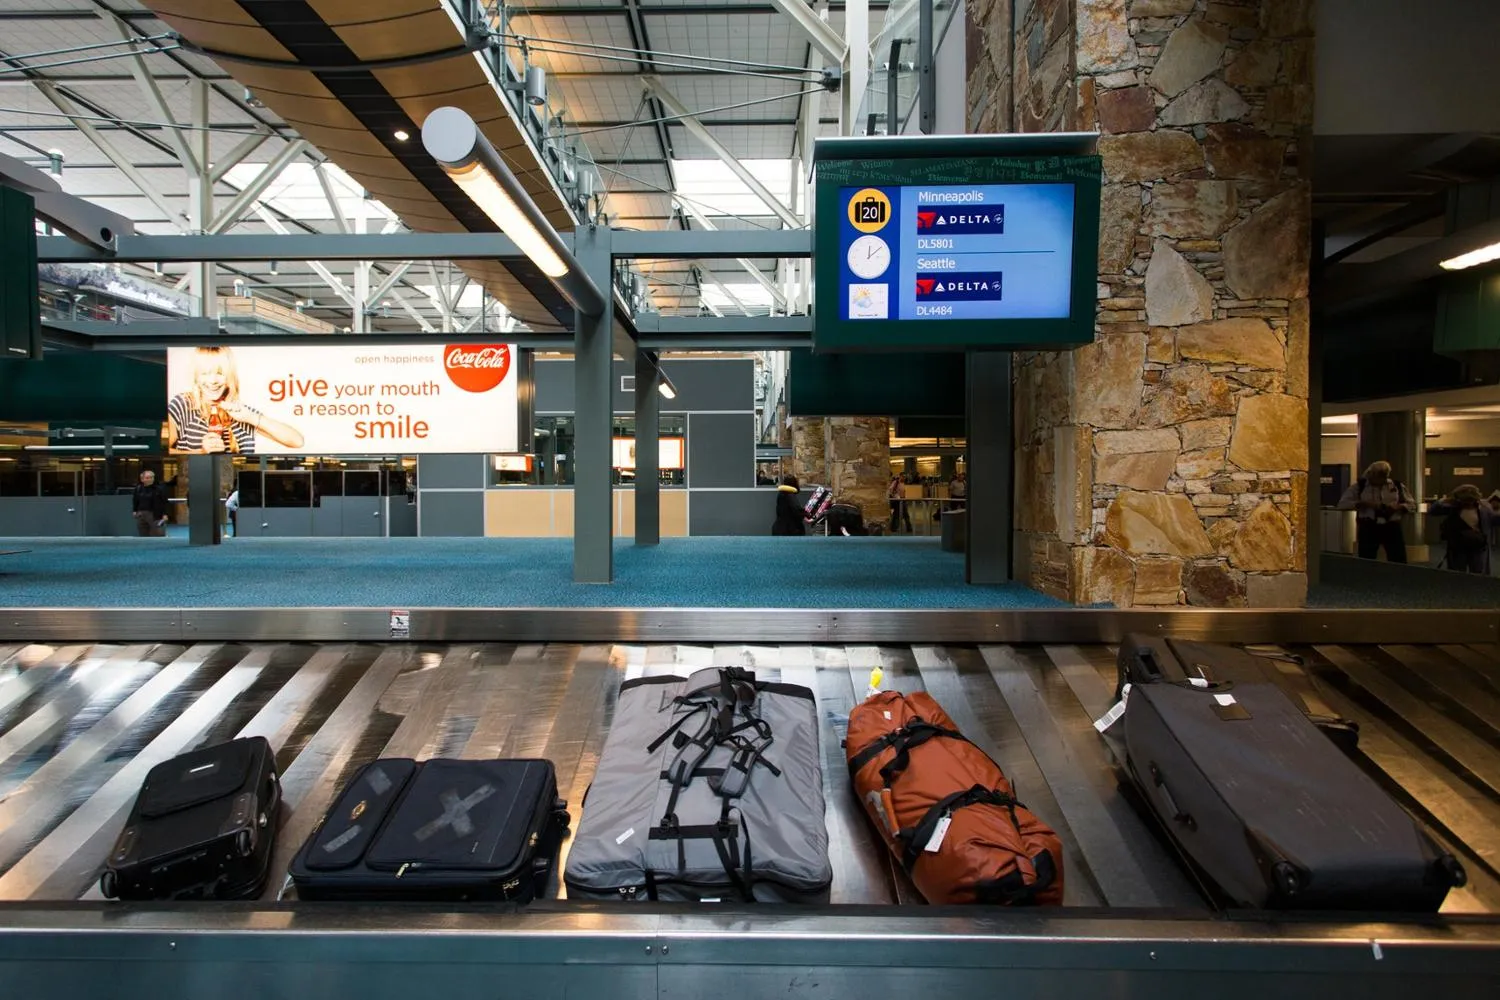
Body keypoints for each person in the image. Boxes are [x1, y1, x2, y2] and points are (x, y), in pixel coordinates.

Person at [167, 345, 304, 455]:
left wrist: (250, 417)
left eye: (220, 373)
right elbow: (163, 451)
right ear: (196, 376)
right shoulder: (183, 404)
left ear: (230, 376)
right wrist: (200, 452)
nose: (213, 381)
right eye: (205, 373)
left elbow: (297, 441)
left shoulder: (240, 411)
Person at [1337, 460, 1416, 563]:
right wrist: (1363, 504)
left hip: (1391, 526)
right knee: (1366, 559)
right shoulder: (1360, 486)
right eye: (1375, 475)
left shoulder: (1396, 486)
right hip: (1369, 527)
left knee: (1398, 559)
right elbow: (1342, 504)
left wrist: (1399, 507)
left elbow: (1412, 505)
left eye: (1383, 475)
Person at [1431, 484, 1494, 574]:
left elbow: (1494, 520)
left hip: (1477, 544)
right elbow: (1433, 511)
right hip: (1458, 544)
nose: (1468, 503)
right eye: (1465, 501)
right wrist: (1444, 500)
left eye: (1471, 500)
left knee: (1478, 571)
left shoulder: (1484, 508)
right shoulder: (1453, 508)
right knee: (1457, 572)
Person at [131, 469, 168, 537]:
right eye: (147, 478)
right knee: (143, 535)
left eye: (151, 477)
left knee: (158, 534)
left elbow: (164, 502)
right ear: (142, 479)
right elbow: (135, 500)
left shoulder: (159, 489)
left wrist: (165, 514)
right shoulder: (138, 489)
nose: (150, 479)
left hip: (155, 515)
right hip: (141, 514)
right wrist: (134, 510)